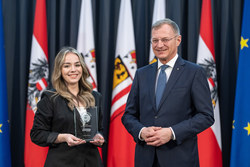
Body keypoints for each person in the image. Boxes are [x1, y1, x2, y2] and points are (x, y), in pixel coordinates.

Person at [122, 18, 214, 167]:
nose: (159, 45)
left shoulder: (194, 73)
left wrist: (172, 132)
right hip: (145, 159)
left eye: (165, 39)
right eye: (155, 40)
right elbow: (128, 115)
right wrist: (141, 131)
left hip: (180, 159)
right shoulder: (141, 74)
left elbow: (206, 116)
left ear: (178, 40)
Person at [30, 47, 104, 167]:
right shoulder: (50, 98)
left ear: (82, 68)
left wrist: (99, 137)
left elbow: (100, 128)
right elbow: (36, 134)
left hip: (91, 162)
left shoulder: (95, 97)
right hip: (61, 162)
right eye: (67, 66)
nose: (73, 70)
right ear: (60, 70)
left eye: (77, 65)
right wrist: (62, 137)